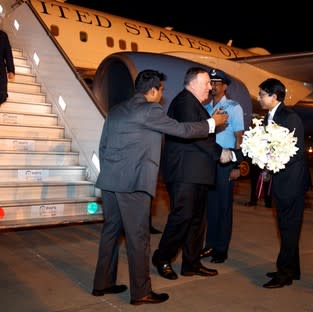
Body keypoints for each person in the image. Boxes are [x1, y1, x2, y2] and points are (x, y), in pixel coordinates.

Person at [92, 69, 229, 305]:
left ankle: (102, 283)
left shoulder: (116, 110)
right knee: (138, 238)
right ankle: (141, 292)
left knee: (110, 233)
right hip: (133, 183)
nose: (163, 95)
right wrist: (212, 123)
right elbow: (184, 131)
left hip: (110, 181)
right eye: (162, 90)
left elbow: (103, 147)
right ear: (153, 90)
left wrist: (112, 173)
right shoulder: (150, 110)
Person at [153, 67, 237, 280]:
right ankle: (162, 257)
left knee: (197, 221)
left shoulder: (195, 105)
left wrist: (213, 123)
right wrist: (221, 153)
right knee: (182, 218)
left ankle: (191, 263)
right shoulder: (184, 102)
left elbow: (201, 131)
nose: (211, 87)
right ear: (192, 84)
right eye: (207, 82)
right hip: (184, 173)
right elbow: (195, 135)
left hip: (197, 173)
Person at [257, 78, 312, 289]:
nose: (260, 98)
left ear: (275, 96)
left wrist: (269, 158)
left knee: (289, 228)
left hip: (291, 181)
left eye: (262, 95)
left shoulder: (290, 117)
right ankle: (292, 269)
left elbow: (296, 151)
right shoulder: (268, 116)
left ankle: (284, 274)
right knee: (286, 227)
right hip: (280, 179)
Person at [199, 69, 244, 263]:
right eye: (212, 82)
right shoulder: (206, 107)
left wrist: (237, 165)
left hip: (226, 162)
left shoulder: (234, 107)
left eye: (217, 82)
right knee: (210, 207)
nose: (213, 85)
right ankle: (210, 244)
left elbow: (239, 138)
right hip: (208, 163)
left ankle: (221, 249)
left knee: (224, 207)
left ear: (225, 86)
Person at [0, 16, 15, 105]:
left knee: (1, 94)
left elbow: (8, 54)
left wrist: (11, 70)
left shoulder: (3, 36)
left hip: (0, 70)